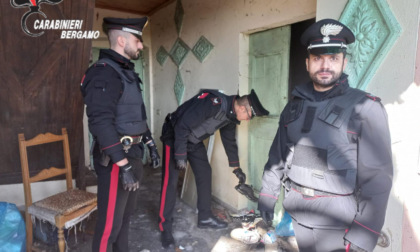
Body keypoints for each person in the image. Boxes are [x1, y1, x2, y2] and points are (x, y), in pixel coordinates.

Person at [258, 19, 393, 252]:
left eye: (333, 58)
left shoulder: (366, 108)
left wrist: (365, 234)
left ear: (344, 62)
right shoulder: (292, 108)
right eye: (318, 58)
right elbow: (277, 157)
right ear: (308, 62)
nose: (325, 65)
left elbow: (378, 179)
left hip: (338, 225)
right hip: (299, 215)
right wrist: (267, 195)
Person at [80, 17, 161, 252]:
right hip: (116, 159)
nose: (141, 46)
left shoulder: (127, 72)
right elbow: (100, 123)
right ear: (122, 40)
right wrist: (123, 166)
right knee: (109, 226)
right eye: (138, 40)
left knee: (125, 219)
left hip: (133, 154)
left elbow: (136, 115)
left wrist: (150, 144)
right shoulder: (103, 73)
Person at [159, 89, 269, 248]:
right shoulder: (213, 103)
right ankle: (165, 227)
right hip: (175, 135)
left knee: (205, 172)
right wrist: (180, 155)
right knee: (170, 182)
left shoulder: (230, 115)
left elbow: (229, 141)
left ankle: (205, 217)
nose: (247, 120)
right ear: (243, 109)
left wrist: (236, 168)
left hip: (193, 141)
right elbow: (182, 125)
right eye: (249, 117)